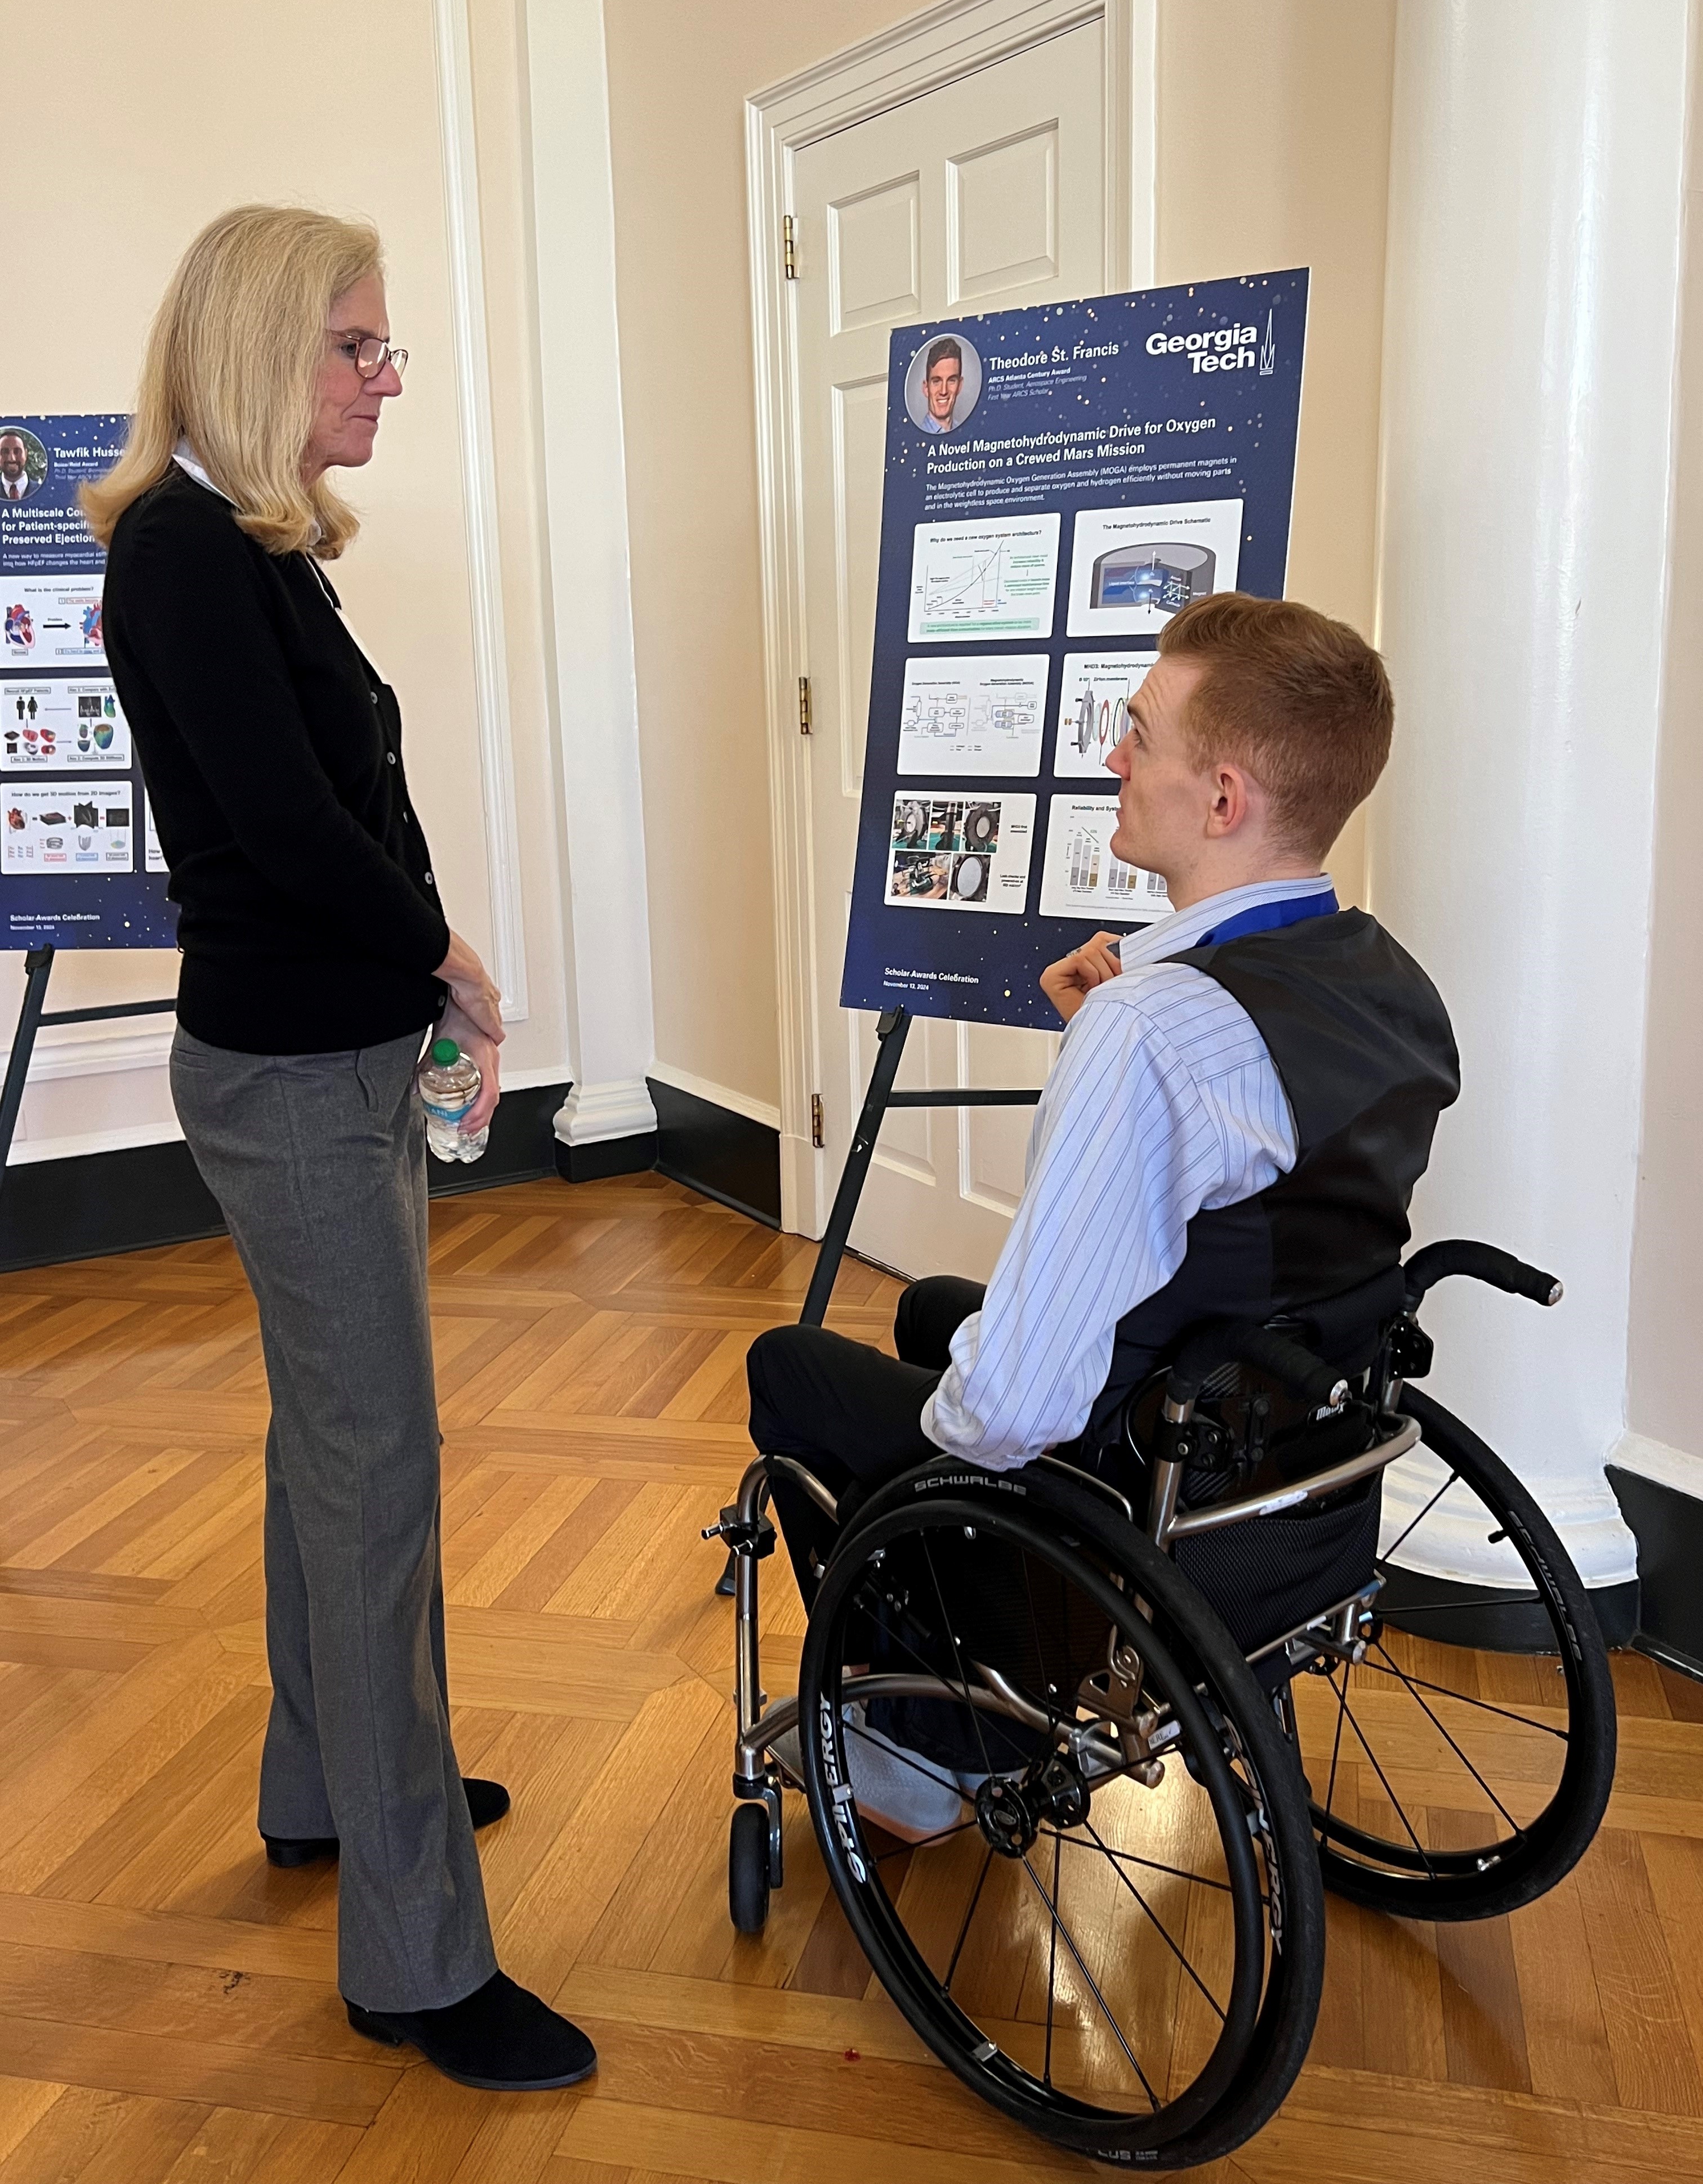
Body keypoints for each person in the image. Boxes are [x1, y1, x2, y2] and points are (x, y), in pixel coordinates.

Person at [86, 206, 595, 2093]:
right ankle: (414, 1954)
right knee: (377, 1471)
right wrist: (449, 957)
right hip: (298, 1075)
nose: (388, 377)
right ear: (261, 348)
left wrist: (423, 976)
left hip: (336, 1056)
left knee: (333, 1437)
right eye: (359, 345)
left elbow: (345, 789)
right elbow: (294, 832)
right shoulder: (182, 554)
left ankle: (327, 1786)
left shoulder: (249, 546)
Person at [747, 592, 1460, 1834]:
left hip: (1136, 1483)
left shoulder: (1150, 1029)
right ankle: (950, 1666)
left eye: (1136, 732)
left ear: (1223, 799)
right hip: (1280, 1441)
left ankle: (935, 1745)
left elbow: (1010, 1412)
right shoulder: (1382, 977)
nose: (1111, 758)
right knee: (929, 1308)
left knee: (795, 1366)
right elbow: (1260, 1195)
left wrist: (1110, 1052)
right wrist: (1107, 1037)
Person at [919, 338, 965, 433]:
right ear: (926, 388)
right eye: (937, 381)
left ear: (960, 385)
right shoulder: (914, 437)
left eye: (951, 381)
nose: (944, 391)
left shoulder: (965, 433)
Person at [0, 432, 40, 502]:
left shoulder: (44, 492)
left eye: (17, 451)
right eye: (5, 452)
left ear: (26, 454)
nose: (12, 459)